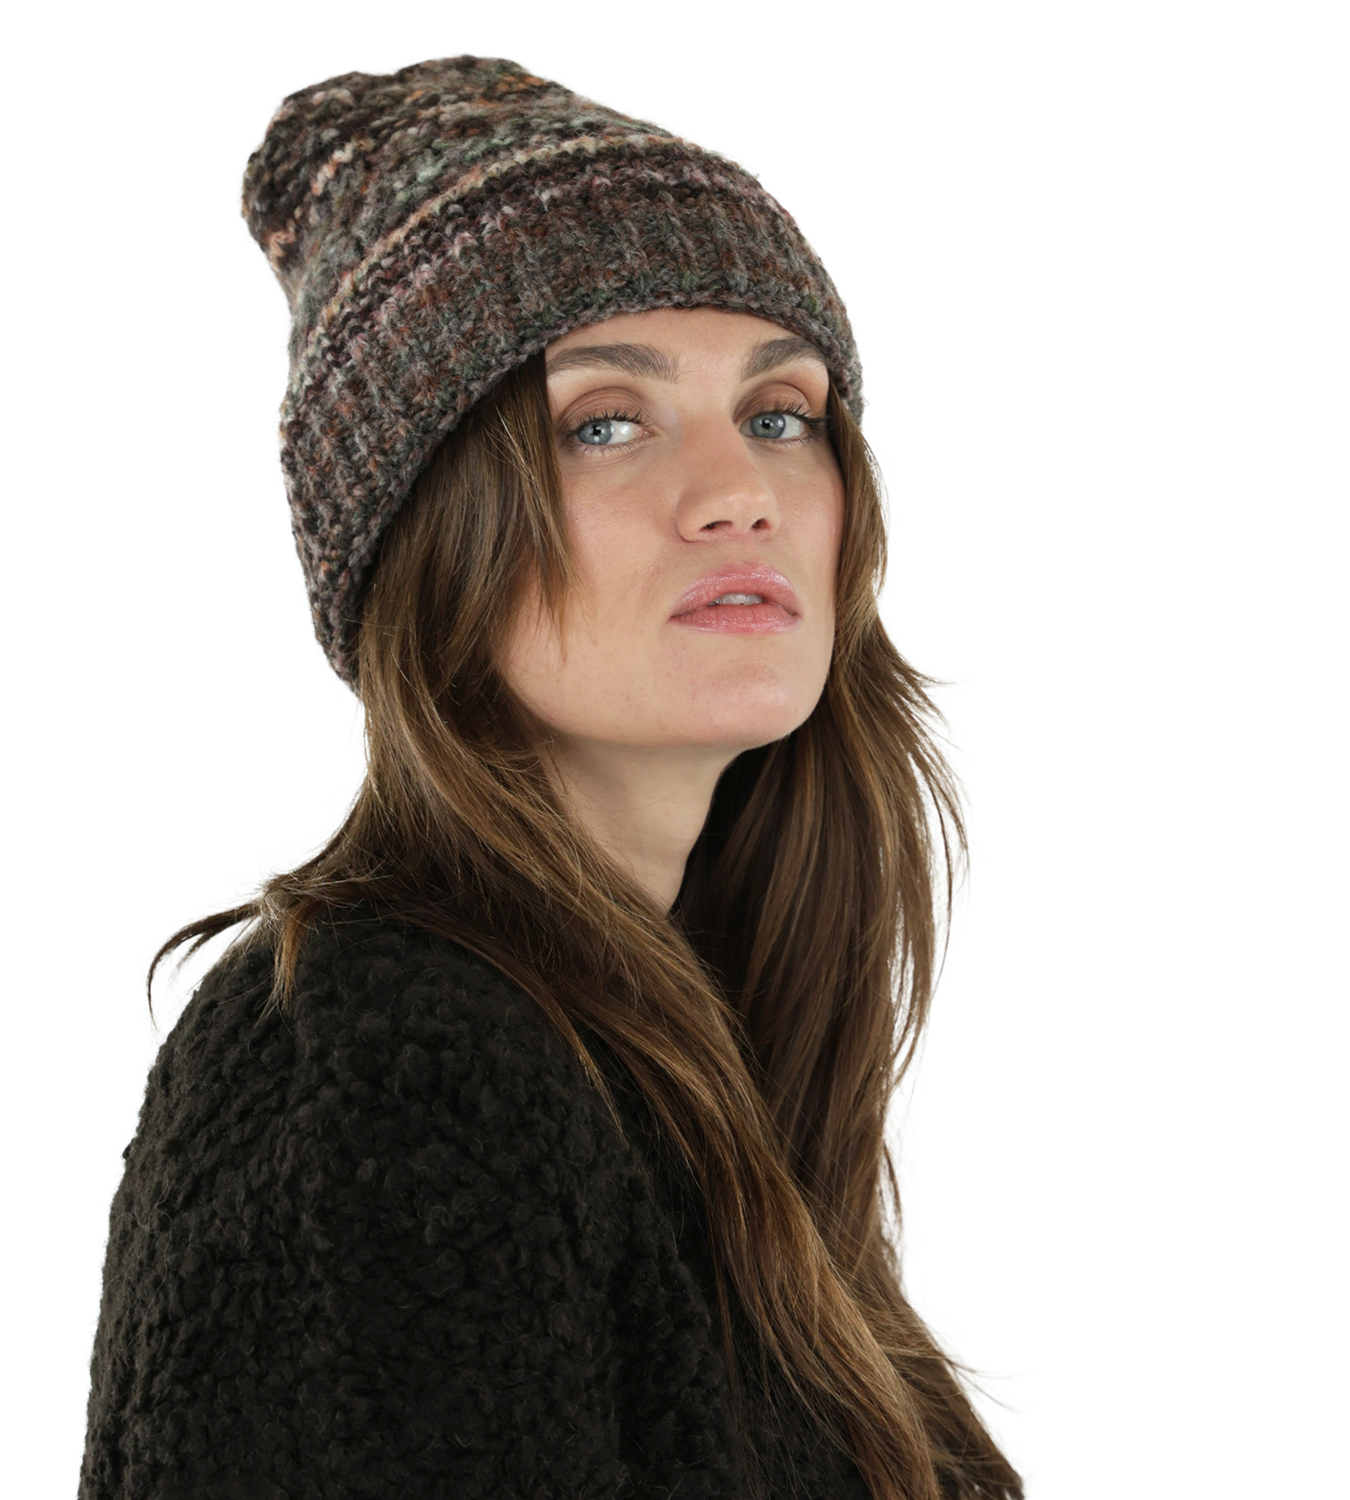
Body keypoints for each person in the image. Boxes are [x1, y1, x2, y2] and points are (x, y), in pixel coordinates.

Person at [78, 56, 1024, 1500]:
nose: (740, 491)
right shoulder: (384, 1057)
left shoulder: (704, 1066)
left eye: (781, 412)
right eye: (605, 422)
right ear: (429, 533)